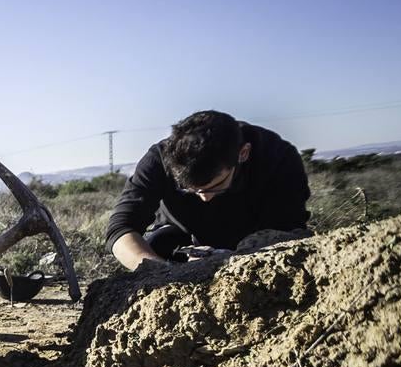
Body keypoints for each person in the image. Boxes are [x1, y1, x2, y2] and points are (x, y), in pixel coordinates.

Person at [106, 110, 311, 270]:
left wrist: (236, 259)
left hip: (255, 249)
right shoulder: (159, 158)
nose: (204, 198)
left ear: (243, 153)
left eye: (215, 187)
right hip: (178, 246)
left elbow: (289, 234)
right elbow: (121, 229)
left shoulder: (278, 157)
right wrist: (164, 271)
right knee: (157, 243)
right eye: (190, 190)